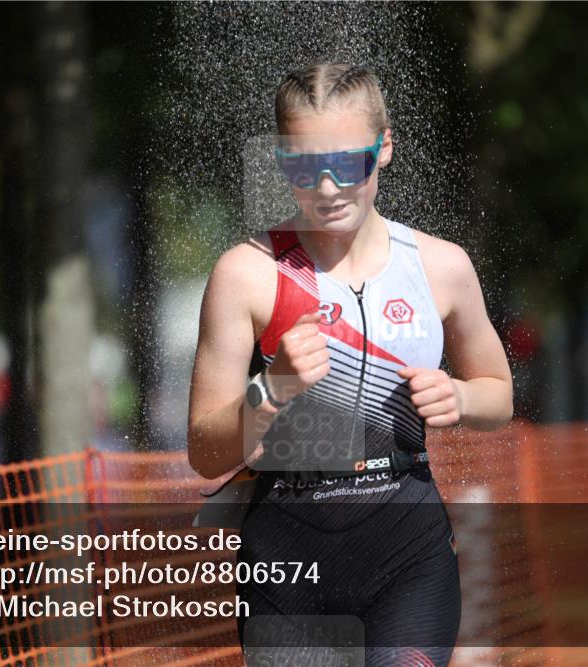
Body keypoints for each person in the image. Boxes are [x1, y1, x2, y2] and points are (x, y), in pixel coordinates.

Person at [187, 62, 512, 666]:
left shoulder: (441, 267)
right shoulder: (248, 274)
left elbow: (499, 396)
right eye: (305, 168)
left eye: (350, 162)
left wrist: (462, 399)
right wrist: (273, 387)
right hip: (288, 561)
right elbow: (205, 452)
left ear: (384, 148)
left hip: (408, 556)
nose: (330, 187)